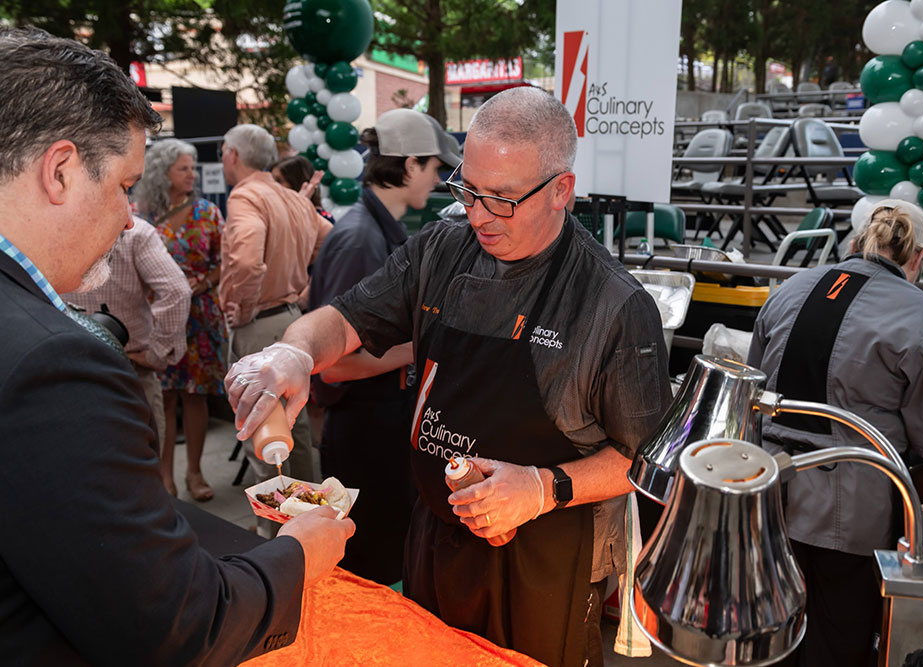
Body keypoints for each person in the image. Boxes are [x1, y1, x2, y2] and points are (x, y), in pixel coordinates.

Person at [227, 86, 670, 667]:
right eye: (469, 190)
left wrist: (542, 487)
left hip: (546, 561)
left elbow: (647, 460)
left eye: (503, 200)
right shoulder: (440, 248)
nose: (478, 214)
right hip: (435, 535)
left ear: (562, 190)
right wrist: (295, 354)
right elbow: (347, 318)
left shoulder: (612, 303)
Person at [0, 27, 353, 664]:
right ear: (58, 171)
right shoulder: (55, 366)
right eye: (122, 187)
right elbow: (172, 627)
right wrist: (297, 555)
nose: (127, 216)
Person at [747, 199, 923, 667]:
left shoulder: (786, 290)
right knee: (838, 637)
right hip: (855, 511)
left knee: (769, 632)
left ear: (853, 241)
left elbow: (753, 390)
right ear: (919, 258)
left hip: (771, 492)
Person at [307, 109, 460, 585]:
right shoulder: (360, 240)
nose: (437, 181)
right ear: (409, 165)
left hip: (379, 422)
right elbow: (332, 366)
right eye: (435, 168)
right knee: (369, 565)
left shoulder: (375, 231)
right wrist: (421, 346)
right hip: (363, 430)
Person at [219, 124, 332, 501]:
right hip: (289, 323)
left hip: (260, 326)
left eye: (223, 152)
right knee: (292, 436)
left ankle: (277, 533)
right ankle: (305, 524)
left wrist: (245, 308)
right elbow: (330, 238)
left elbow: (248, 264)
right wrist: (302, 288)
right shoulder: (293, 199)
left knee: (266, 438)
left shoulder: (246, 197)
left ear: (233, 155)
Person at [131, 138, 228, 500]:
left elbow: (224, 261)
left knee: (196, 396)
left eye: (193, 168)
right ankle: (164, 477)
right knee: (164, 397)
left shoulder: (208, 213)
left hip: (201, 316)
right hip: (159, 315)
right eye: (183, 168)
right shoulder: (144, 214)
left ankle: (195, 473)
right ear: (163, 172)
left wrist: (201, 282)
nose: (192, 174)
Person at [62, 215, 191, 452]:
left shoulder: (50, 231)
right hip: (129, 365)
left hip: (68, 366)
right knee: (143, 459)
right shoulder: (137, 232)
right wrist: (158, 352)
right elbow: (177, 291)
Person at [270, 154, 334, 223]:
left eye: (279, 181)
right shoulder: (272, 212)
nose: (272, 185)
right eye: (271, 180)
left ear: (297, 183)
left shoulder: (321, 219)